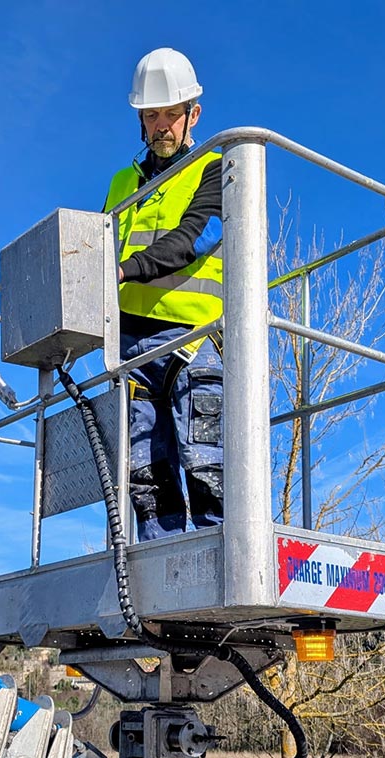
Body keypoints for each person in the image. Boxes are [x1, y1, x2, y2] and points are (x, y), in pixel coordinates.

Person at [103, 48, 224, 542]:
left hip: (192, 343)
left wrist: (121, 270)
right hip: (129, 348)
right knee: (146, 482)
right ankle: (162, 586)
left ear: (192, 114)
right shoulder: (119, 184)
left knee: (206, 469)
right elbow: (92, 252)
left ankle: (217, 569)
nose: (161, 125)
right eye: (151, 115)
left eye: (170, 114)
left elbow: (190, 241)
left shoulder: (216, 168)